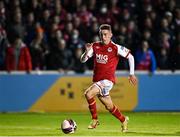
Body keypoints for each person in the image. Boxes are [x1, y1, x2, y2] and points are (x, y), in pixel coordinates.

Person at [80, 24, 137, 132]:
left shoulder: (116, 48)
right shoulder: (95, 46)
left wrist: (131, 74)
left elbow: (131, 57)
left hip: (107, 81)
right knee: (109, 107)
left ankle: (95, 120)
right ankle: (124, 120)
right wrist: (86, 52)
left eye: (106, 35)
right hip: (98, 80)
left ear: (111, 35)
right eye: (101, 35)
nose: (103, 37)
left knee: (88, 93)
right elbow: (83, 60)